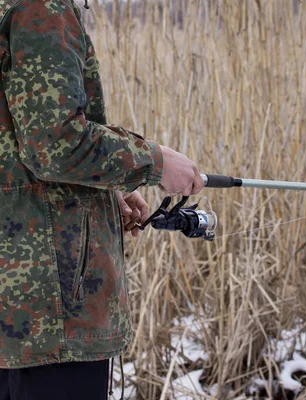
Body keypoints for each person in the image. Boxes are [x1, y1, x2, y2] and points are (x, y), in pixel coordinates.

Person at [0, 0, 203, 398]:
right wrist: (156, 162)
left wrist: (107, 185)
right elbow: (54, 144)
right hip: (51, 312)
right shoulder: (40, 8)